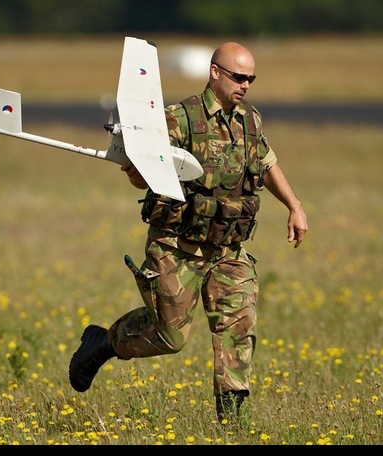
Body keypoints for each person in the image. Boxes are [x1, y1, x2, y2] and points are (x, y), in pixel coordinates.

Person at [69, 41, 308, 423]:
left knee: (239, 325)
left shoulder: (250, 119)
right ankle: (103, 342)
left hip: (228, 250)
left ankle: (230, 422)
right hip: (177, 246)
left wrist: (294, 206)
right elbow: (141, 179)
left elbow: (266, 162)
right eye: (238, 77)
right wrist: (137, 167)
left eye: (251, 79)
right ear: (215, 73)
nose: (245, 85)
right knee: (169, 336)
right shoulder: (177, 119)